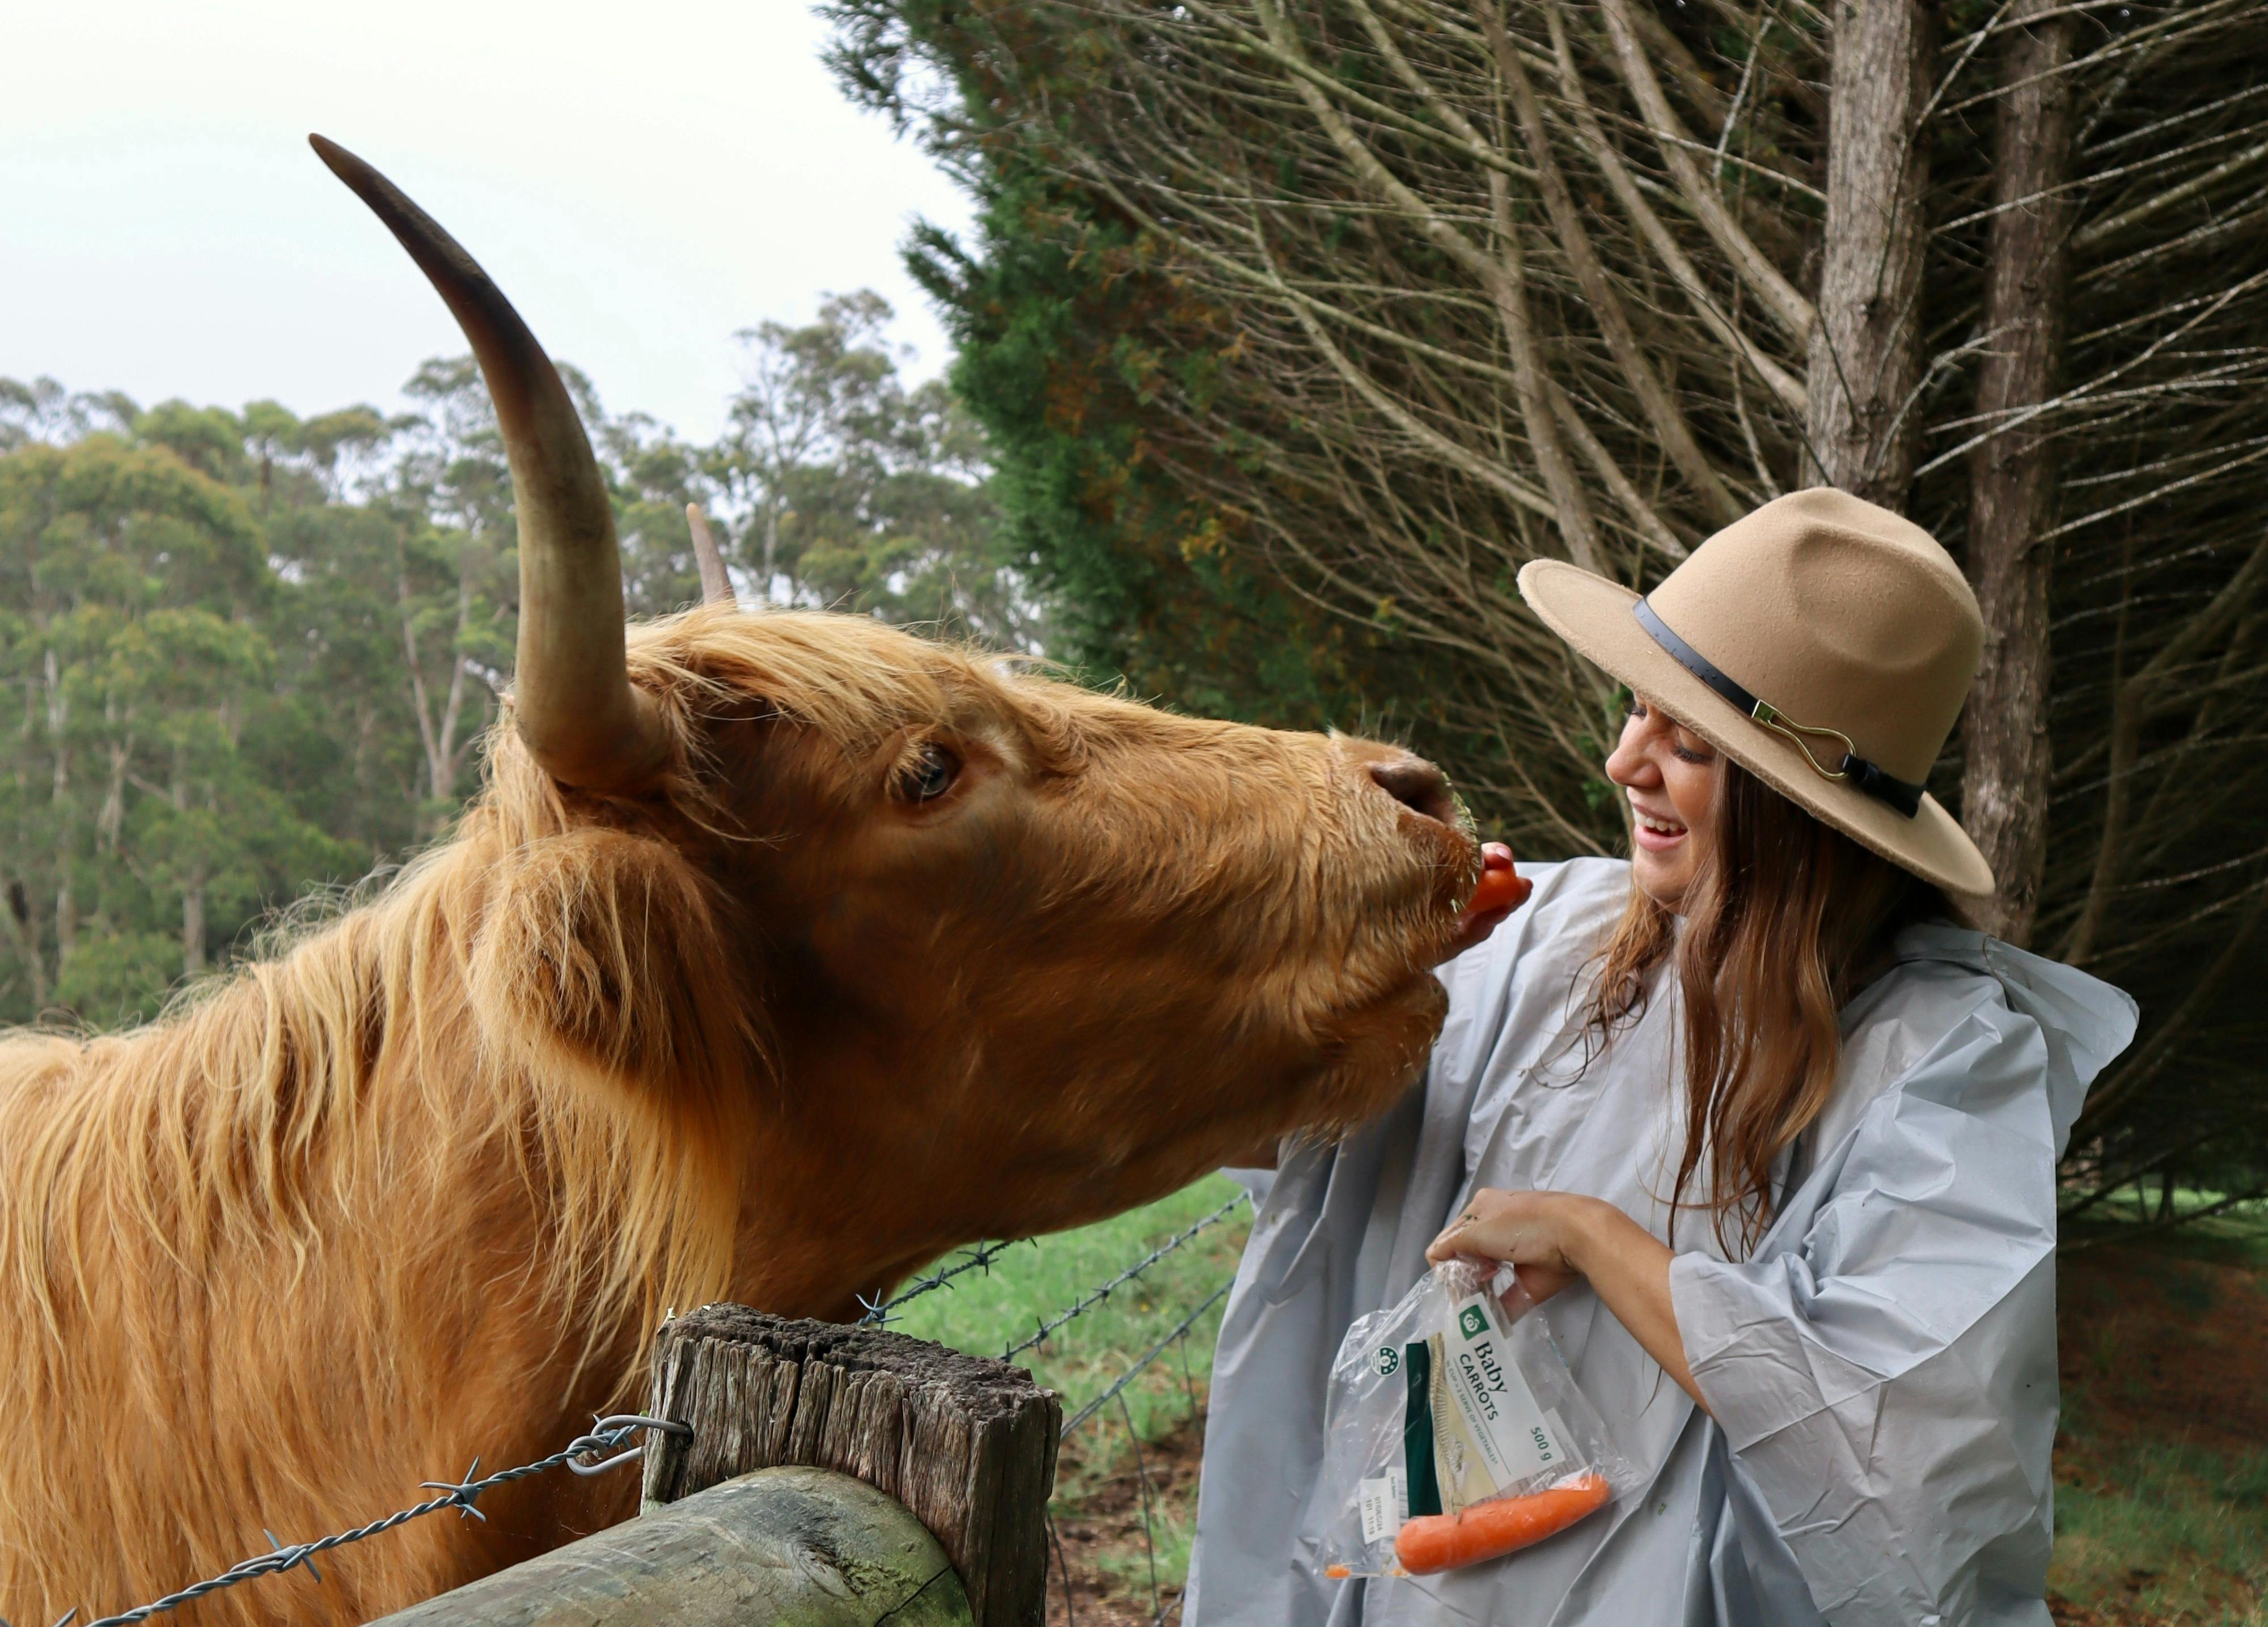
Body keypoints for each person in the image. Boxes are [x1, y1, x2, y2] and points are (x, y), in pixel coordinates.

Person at [1186, 489, 2136, 1627]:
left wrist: (1594, 1240)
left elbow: (1899, 1458)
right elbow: (1282, 1138)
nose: (1622, 759)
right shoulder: (1550, 927)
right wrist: (1326, 991)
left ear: (1802, 814)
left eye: (1688, 741)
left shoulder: (1940, 1067)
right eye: (1636, 709)